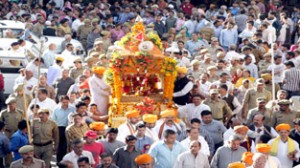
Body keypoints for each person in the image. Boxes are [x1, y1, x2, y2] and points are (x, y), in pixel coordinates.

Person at [51, 95, 75, 163]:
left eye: (66, 102)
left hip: (69, 128)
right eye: (63, 102)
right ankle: (59, 162)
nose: (65, 104)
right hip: (59, 128)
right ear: (60, 102)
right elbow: (53, 121)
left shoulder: (72, 109)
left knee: (67, 145)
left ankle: (67, 161)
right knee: (59, 146)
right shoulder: (56, 109)